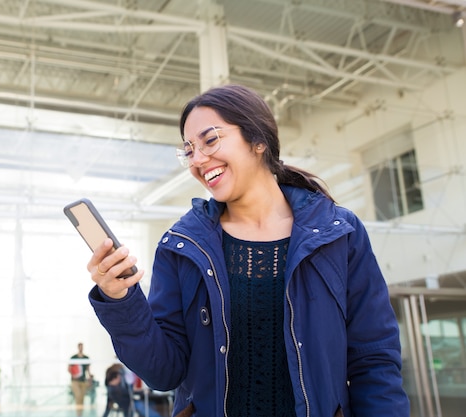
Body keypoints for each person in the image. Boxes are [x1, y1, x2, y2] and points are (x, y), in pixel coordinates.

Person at [85, 84, 410, 416]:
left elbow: (374, 360)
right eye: (189, 149)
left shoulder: (339, 235)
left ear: (258, 140)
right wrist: (120, 299)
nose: (197, 159)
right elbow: (162, 372)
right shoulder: (181, 248)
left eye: (210, 141)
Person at [68, 342, 91, 416]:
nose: (81, 348)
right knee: (78, 397)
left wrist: (90, 378)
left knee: (81, 399)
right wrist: (74, 374)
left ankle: (80, 415)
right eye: (80, 347)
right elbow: (69, 369)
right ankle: (78, 415)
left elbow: (88, 370)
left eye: (82, 347)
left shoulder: (86, 358)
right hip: (75, 381)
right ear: (78, 347)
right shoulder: (73, 357)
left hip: (83, 380)